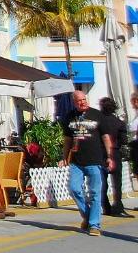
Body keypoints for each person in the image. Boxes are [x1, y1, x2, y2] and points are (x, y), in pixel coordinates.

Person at [61, 90, 114, 236]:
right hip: (76, 162)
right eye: (79, 101)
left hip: (94, 160)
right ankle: (88, 215)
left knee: (95, 193)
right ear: (74, 102)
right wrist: (64, 156)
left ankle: (94, 225)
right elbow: (67, 140)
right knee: (74, 188)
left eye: (84, 99)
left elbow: (106, 137)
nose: (83, 102)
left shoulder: (97, 115)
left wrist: (109, 156)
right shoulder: (69, 117)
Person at [98, 97, 130, 217]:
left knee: (103, 182)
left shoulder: (98, 122)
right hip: (115, 152)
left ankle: (105, 206)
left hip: (100, 153)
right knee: (117, 182)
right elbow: (124, 141)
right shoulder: (119, 123)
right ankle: (118, 205)